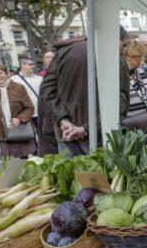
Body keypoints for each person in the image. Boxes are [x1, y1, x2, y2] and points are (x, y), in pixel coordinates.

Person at [40, 27, 130, 157]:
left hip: (66, 133)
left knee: (70, 175)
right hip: (97, 138)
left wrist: (63, 121)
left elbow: (46, 92)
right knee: (97, 176)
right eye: (124, 44)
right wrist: (84, 128)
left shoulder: (64, 52)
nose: (123, 49)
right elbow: (120, 104)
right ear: (118, 39)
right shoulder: (115, 60)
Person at [0, 65, 36, 159]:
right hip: (2, 131)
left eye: (1, 73)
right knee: (9, 160)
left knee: (24, 159)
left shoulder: (19, 88)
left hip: (19, 129)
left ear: (7, 74)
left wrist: (19, 119)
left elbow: (29, 108)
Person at [122, 41, 147, 131]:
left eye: (142, 56)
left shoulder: (141, 72)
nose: (141, 59)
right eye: (138, 57)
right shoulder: (120, 75)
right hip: (130, 126)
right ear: (128, 57)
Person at [11, 58, 42, 128]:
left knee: (43, 135)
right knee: (28, 136)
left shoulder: (40, 79)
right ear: (23, 65)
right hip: (23, 115)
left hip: (40, 114)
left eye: (33, 64)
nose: (33, 66)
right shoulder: (13, 80)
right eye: (30, 64)